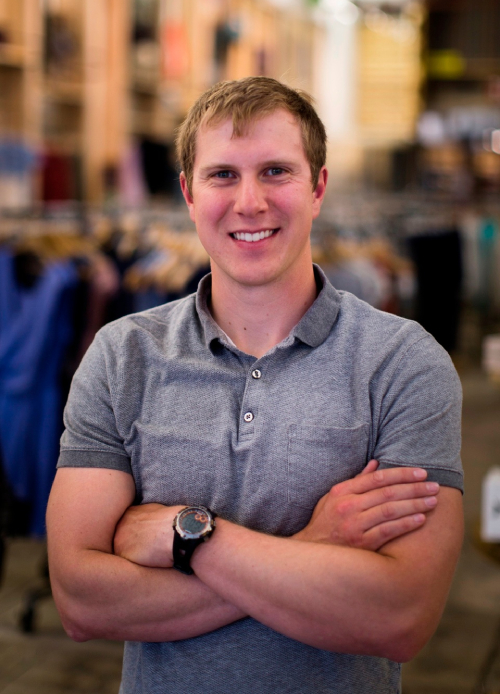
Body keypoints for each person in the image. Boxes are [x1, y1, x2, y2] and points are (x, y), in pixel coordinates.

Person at [47, 77, 464, 694]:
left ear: (317, 188)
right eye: (222, 175)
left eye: (275, 171)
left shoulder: (404, 363)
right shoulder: (122, 356)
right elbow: (82, 603)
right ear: (188, 193)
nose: (250, 202)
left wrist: (190, 538)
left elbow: (399, 617)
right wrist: (313, 544)